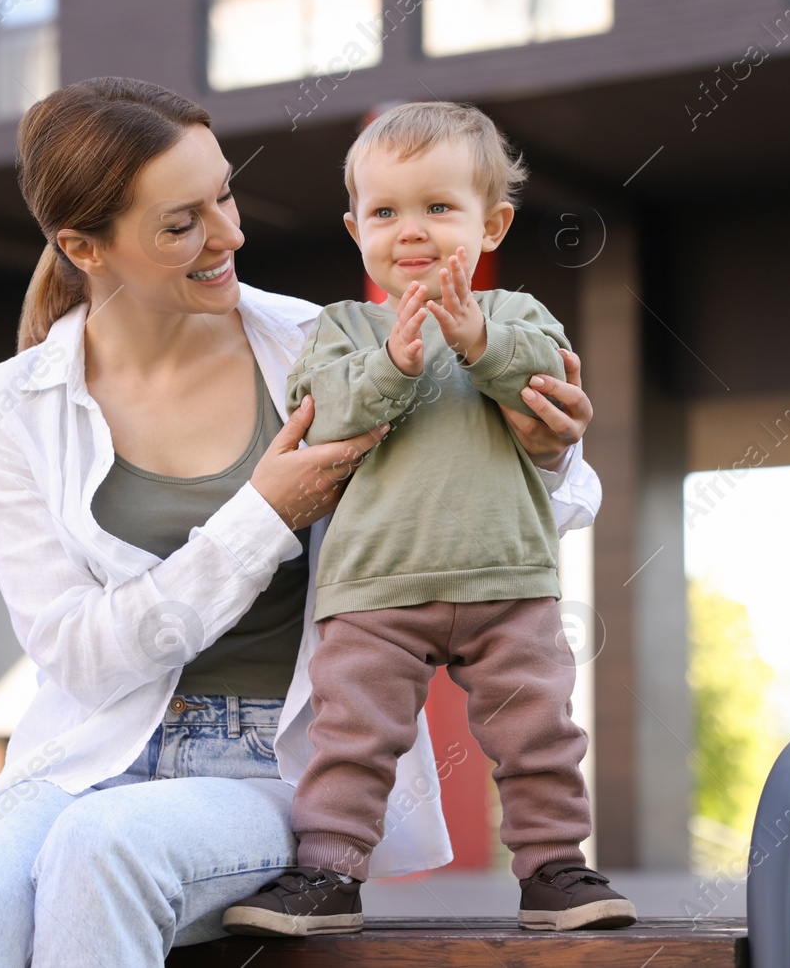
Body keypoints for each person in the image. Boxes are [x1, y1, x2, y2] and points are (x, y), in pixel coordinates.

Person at [0, 77, 601, 967]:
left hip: (282, 764)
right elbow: (76, 650)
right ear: (86, 246)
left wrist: (549, 448)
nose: (231, 234)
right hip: (90, 753)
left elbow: (535, 505)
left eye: (225, 193)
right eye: (180, 223)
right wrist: (266, 515)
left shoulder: (321, 345)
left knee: (101, 848)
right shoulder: (13, 406)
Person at [222, 101, 633, 938]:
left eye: (439, 207)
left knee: (538, 732)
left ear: (493, 225)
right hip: (374, 589)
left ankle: (555, 868)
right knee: (351, 737)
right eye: (386, 211)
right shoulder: (342, 329)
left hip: (508, 578)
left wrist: (478, 341)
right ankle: (328, 872)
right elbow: (320, 414)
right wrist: (391, 365)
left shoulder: (517, 314)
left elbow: (548, 384)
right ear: (354, 228)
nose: (411, 230)